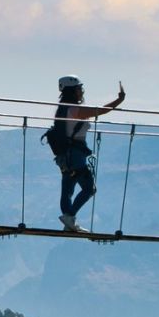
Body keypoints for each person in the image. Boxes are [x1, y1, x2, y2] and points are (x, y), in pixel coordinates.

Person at [52, 75, 125, 233]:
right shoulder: (75, 110)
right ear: (72, 91)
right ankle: (69, 217)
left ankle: (69, 223)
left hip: (64, 156)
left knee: (67, 190)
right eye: (79, 88)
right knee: (89, 189)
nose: (81, 91)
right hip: (76, 156)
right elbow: (101, 111)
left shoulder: (62, 109)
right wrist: (118, 101)